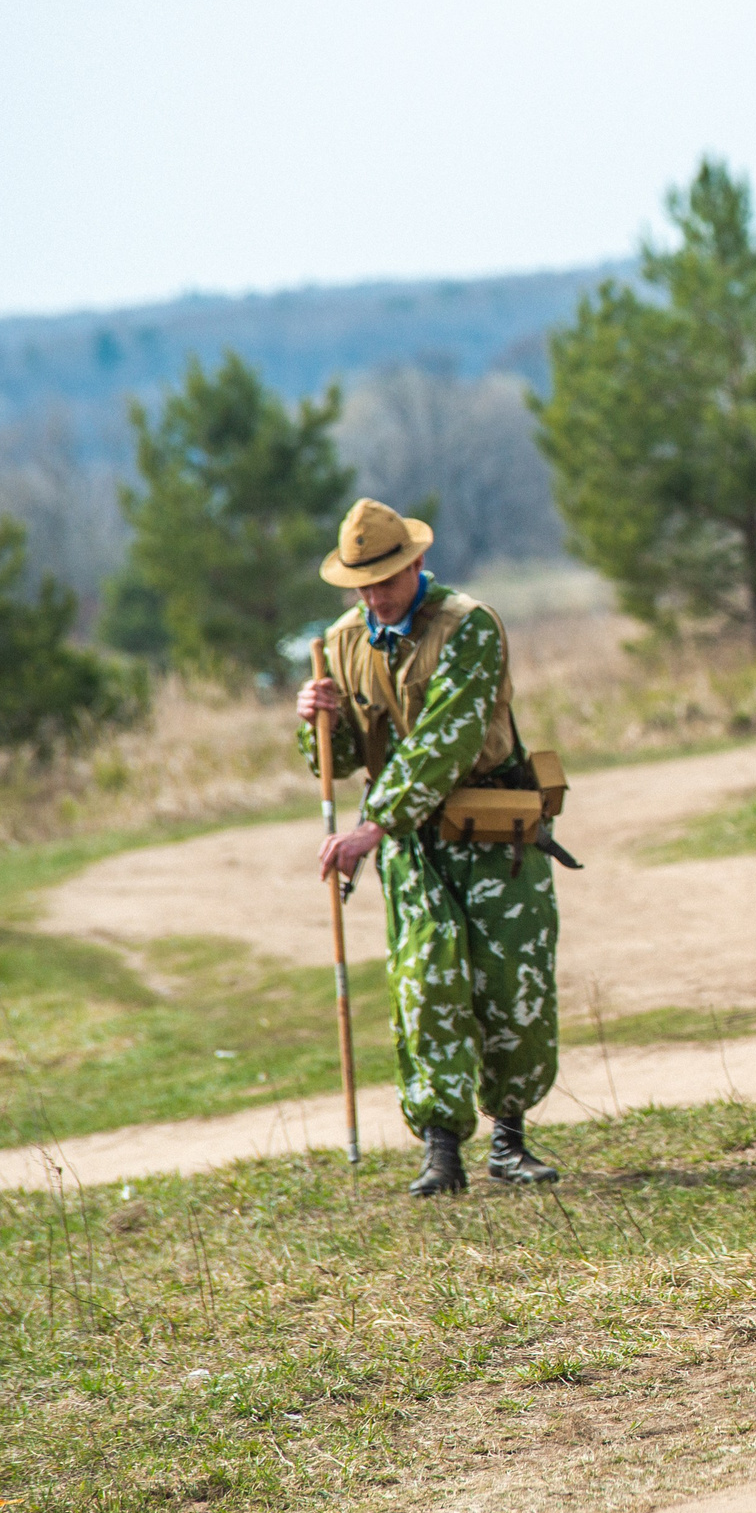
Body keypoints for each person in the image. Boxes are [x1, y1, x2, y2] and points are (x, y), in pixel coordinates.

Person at [296, 498, 563, 1197]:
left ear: (417, 564)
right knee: (426, 987)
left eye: (385, 578)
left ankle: (511, 1139)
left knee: (511, 987)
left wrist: (367, 829)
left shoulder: (469, 626)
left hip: (489, 827)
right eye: (362, 583)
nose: (373, 595)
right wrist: (316, 722)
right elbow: (344, 756)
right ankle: (441, 1154)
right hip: (412, 842)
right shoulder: (343, 639)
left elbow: (449, 739)